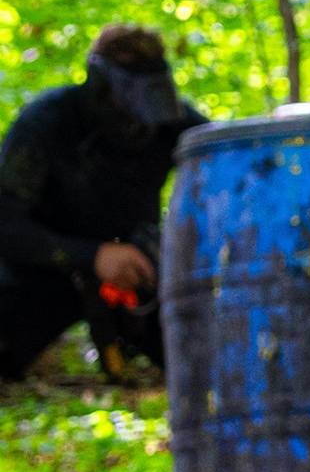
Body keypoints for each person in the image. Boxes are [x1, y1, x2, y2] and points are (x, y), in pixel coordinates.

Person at [0, 25, 205, 381]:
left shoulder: (172, 123)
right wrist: (93, 256)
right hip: (44, 274)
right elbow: (5, 224)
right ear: (101, 87)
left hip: (137, 275)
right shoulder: (48, 122)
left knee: (203, 362)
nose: (138, 125)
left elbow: (231, 170)